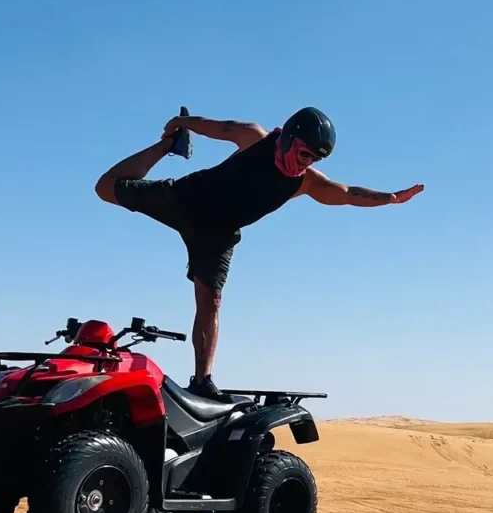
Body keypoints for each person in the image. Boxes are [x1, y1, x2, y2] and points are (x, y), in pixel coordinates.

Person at [94, 106, 424, 401]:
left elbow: (348, 193)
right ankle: (167, 148)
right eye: (303, 153)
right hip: (185, 199)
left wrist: (391, 197)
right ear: (287, 139)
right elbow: (218, 127)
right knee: (105, 188)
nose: (304, 163)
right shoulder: (255, 138)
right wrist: (181, 124)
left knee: (210, 298)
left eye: (313, 159)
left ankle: (202, 380)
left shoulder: (305, 182)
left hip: (218, 234)